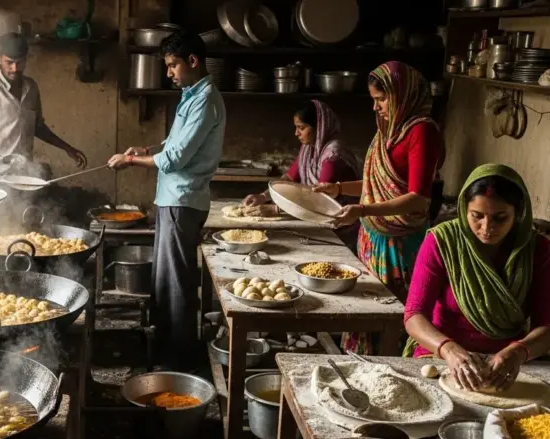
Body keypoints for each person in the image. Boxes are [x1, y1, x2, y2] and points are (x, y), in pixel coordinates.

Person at [107, 31, 226, 371]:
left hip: (182, 201)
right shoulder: (192, 95)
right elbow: (172, 143)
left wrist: (129, 162)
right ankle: (164, 348)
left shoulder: (206, 100)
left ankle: (179, 359)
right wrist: (146, 150)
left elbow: (175, 159)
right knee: (165, 278)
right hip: (173, 200)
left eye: (173, 66)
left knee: (176, 283)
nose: (170, 73)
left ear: (193, 61)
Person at [320, 61, 444, 354]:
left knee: (390, 315)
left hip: (399, 244)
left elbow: (419, 198)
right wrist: (337, 189)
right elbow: (370, 186)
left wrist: (361, 210)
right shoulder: (387, 132)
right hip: (372, 238)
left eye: (381, 99)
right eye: (373, 100)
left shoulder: (422, 132)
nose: (376, 107)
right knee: (365, 309)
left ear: (404, 94)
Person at [404, 164, 550, 392]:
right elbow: (414, 314)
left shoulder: (537, 250)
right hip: (441, 354)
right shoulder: (442, 243)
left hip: (505, 364)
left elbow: (549, 326)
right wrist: (449, 350)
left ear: (518, 214)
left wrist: (517, 352)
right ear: (464, 209)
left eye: (500, 218)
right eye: (477, 216)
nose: (487, 227)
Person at [0, 32, 86, 186]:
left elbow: (37, 128)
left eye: (20, 62)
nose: (15, 68)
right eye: (9, 62)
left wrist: (67, 148)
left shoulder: (32, 88)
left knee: (26, 211)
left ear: (26, 59)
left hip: (24, 175)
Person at [242, 100, 361, 250]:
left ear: (319, 127)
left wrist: (276, 210)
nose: (296, 133)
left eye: (301, 128)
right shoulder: (309, 150)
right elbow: (289, 179)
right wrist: (263, 196)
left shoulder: (333, 155)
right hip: (320, 225)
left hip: (342, 229)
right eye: (296, 128)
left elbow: (317, 200)